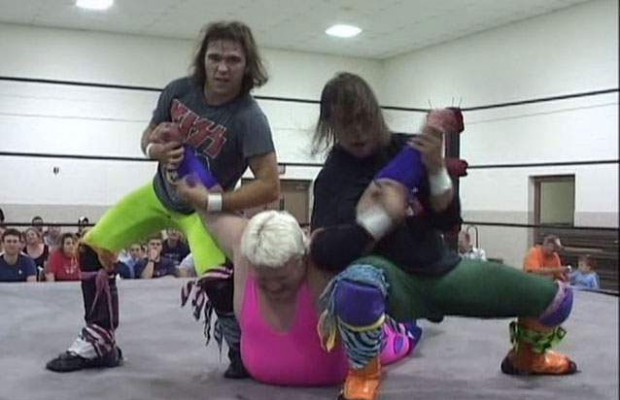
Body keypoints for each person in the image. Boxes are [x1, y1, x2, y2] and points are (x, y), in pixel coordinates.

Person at [307, 73, 576, 400]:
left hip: (440, 268)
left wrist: (436, 171)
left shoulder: (409, 148)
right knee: (356, 286)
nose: (359, 131)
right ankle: (363, 375)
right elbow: (323, 250)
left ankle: (528, 357)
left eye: (364, 119)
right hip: (388, 278)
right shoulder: (333, 176)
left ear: (376, 114)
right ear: (331, 125)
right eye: (347, 123)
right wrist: (380, 221)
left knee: (555, 298)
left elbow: (448, 220)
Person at [45, 20, 280, 376]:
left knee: (218, 278)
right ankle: (99, 341)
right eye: (215, 57)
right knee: (92, 248)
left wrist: (213, 203)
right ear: (202, 59)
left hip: (204, 213)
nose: (222, 67)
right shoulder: (178, 91)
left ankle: (243, 349)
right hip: (159, 194)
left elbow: (270, 185)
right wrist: (154, 149)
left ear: (247, 65)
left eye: (233, 59)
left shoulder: (249, 118)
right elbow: (147, 137)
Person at [173, 181, 419, 387]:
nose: (274, 288)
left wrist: (395, 198)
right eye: (263, 280)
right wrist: (181, 165)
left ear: (303, 258)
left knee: (368, 300)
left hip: (377, 343)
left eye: (283, 279)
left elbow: (369, 231)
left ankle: (405, 326)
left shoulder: (322, 261)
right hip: (276, 372)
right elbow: (207, 208)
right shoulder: (243, 246)